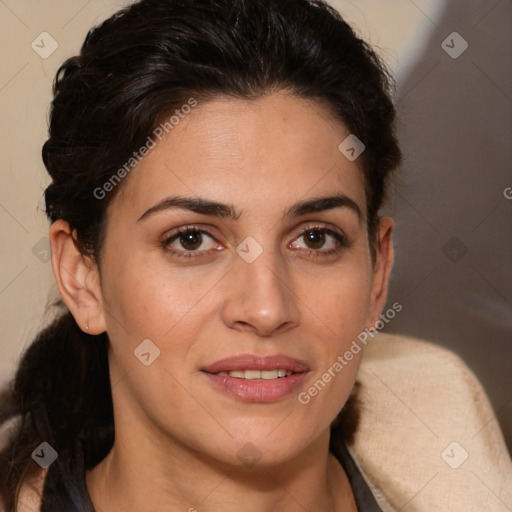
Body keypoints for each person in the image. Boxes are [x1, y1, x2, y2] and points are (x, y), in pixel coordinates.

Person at [0, 0, 510, 510]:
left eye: (315, 239)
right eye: (192, 240)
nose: (266, 309)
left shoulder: (460, 458)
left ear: (379, 275)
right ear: (82, 276)